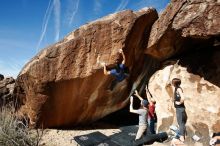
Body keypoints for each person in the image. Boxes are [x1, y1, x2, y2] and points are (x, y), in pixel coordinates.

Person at [170, 78, 187, 144]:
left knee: (181, 123)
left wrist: (179, 103)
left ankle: (182, 139)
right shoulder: (177, 88)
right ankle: (183, 137)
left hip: (180, 109)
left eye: (172, 82)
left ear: (174, 83)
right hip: (180, 109)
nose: (172, 83)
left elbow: (183, 98)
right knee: (182, 123)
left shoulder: (178, 89)